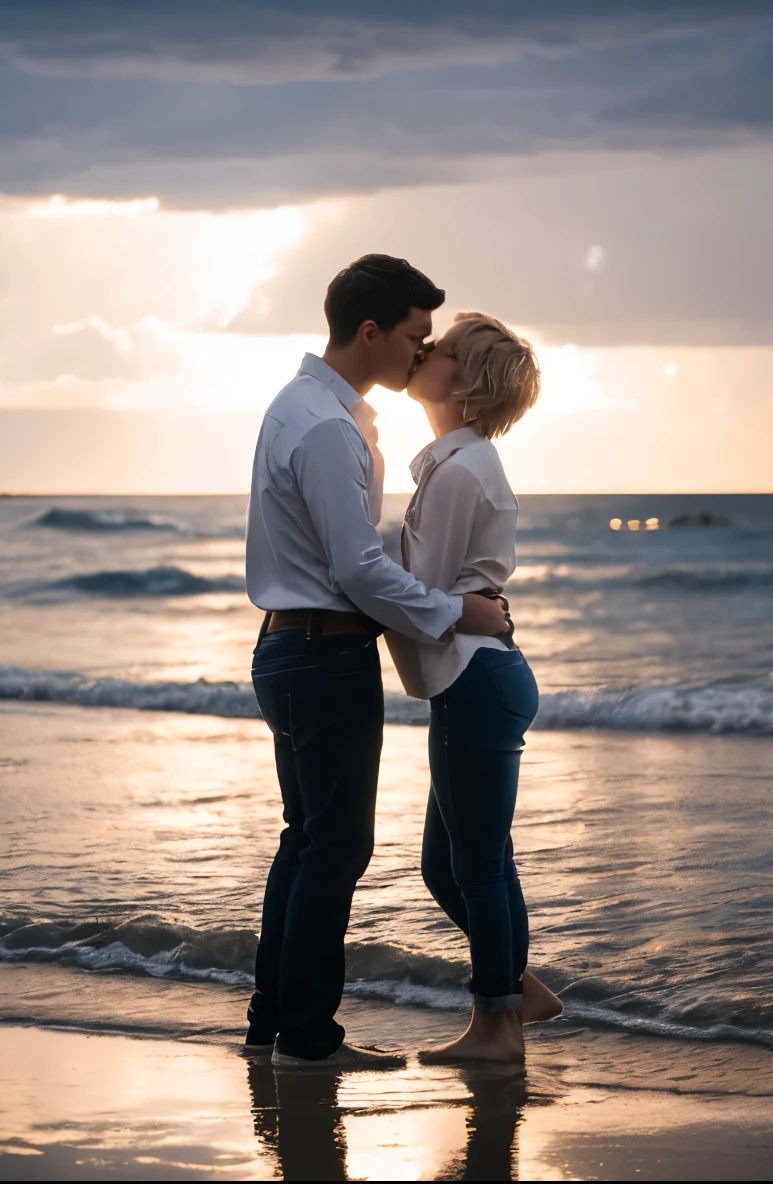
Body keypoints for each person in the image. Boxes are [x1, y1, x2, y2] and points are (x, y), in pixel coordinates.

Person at [244, 256, 510, 1070]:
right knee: (335, 847)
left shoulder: (308, 409)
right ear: (371, 331)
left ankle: (272, 1026)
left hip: (292, 646)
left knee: (306, 841)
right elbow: (357, 569)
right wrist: (458, 609)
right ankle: (309, 1040)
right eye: (413, 336)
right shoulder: (326, 427)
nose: (418, 352)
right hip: (321, 654)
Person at [385, 312, 563, 1064]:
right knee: (454, 864)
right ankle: (518, 993)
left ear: (467, 386)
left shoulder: (459, 473)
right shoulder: (452, 465)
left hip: (476, 680)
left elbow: (416, 595)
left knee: (477, 866)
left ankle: (497, 1028)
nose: (426, 350)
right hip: (476, 678)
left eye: (445, 349)